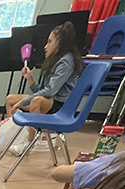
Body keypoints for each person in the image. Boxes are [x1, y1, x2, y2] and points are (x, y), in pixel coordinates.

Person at [5, 22, 84, 156]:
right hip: (50, 99)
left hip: (61, 105)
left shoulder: (66, 61)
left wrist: (23, 103)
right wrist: (30, 79)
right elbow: (43, 90)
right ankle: (15, 136)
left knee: (36, 102)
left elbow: (50, 91)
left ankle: (29, 143)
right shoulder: (56, 60)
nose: (45, 46)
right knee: (10, 99)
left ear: (60, 43)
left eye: (49, 42)